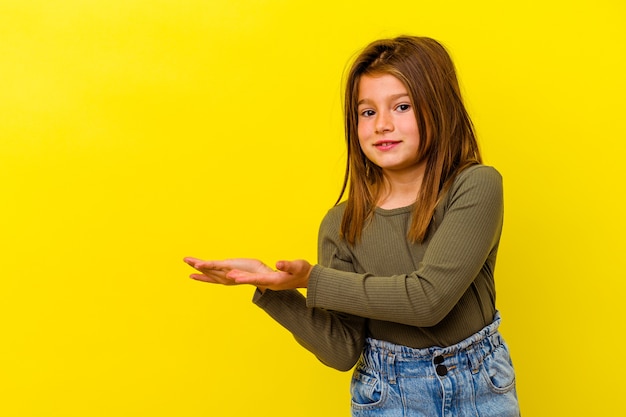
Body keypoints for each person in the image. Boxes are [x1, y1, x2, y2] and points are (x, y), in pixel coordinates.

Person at [184, 35, 520, 416]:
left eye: (402, 106)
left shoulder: (475, 186)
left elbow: (429, 301)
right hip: (388, 397)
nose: (383, 125)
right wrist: (270, 286)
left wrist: (311, 279)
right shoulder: (342, 224)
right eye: (368, 112)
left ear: (439, 109)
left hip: (479, 389)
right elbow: (342, 350)